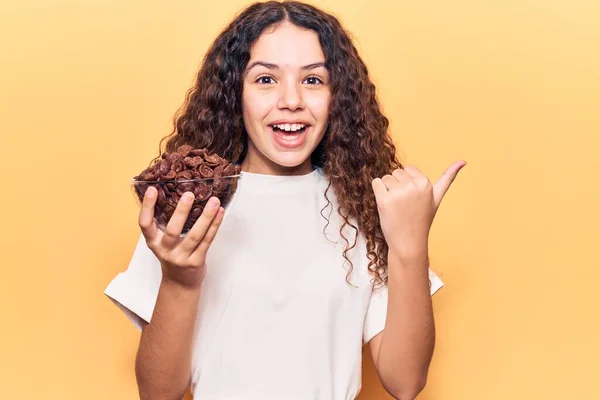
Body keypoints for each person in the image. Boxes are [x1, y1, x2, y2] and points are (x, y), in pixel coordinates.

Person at [104, 1, 466, 399]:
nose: (291, 100)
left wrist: (411, 247)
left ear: (337, 96)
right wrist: (179, 281)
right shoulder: (188, 205)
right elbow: (158, 393)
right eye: (265, 80)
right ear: (234, 94)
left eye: (313, 80)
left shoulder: (365, 205)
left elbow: (406, 381)